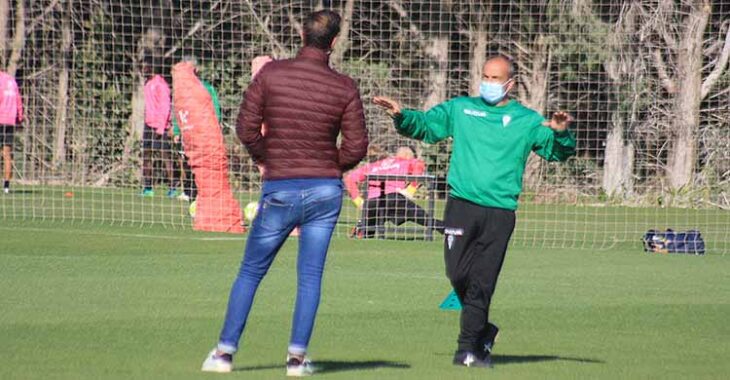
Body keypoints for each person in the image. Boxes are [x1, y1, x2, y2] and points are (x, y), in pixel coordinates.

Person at [373, 54, 576, 368]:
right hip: (461, 206)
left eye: (496, 78)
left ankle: (468, 349)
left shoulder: (527, 120)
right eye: (485, 76)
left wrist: (562, 133)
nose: (489, 83)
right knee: (457, 273)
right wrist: (402, 116)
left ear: (510, 83)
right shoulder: (461, 108)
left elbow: (558, 153)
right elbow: (427, 126)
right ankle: (483, 329)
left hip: (499, 213)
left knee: (483, 282)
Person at [201, 10, 368, 376]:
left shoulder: (271, 74)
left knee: (250, 272)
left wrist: (268, 160)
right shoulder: (345, 87)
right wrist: (328, 166)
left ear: (302, 34)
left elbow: (245, 128)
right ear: (335, 42)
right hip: (325, 192)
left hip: (280, 188)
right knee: (310, 277)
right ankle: (296, 359)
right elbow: (356, 148)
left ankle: (224, 354)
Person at [344, 146, 444, 238]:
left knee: (371, 227)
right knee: (421, 216)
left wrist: (358, 201)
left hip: (371, 202)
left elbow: (349, 178)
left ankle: (362, 228)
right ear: (408, 155)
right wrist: (410, 190)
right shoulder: (406, 162)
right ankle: (445, 228)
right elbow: (419, 166)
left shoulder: (373, 165)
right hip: (394, 198)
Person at [171, 57, 222, 202]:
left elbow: (215, 108)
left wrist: (215, 126)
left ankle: (205, 192)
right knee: (186, 163)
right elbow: (178, 111)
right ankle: (188, 191)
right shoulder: (181, 90)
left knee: (205, 163)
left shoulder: (207, 88)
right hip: (187, 132)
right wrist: (176, 130)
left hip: (204, 133)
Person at [141, 66, 175, 197]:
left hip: (160, 126)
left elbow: (165, 107)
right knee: (146, 156)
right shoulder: (147, 83)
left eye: (145, 67)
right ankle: (148, 188)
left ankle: (172, 188)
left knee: (165, 156)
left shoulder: (161, 84)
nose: (143, 70)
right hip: (148, 124)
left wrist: (161, 128)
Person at [0, 71, 23, 194]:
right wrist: (20, 117)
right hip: (10, 120)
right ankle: (6, 187)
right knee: (7, 154)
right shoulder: (11, 81)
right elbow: (18, 100)